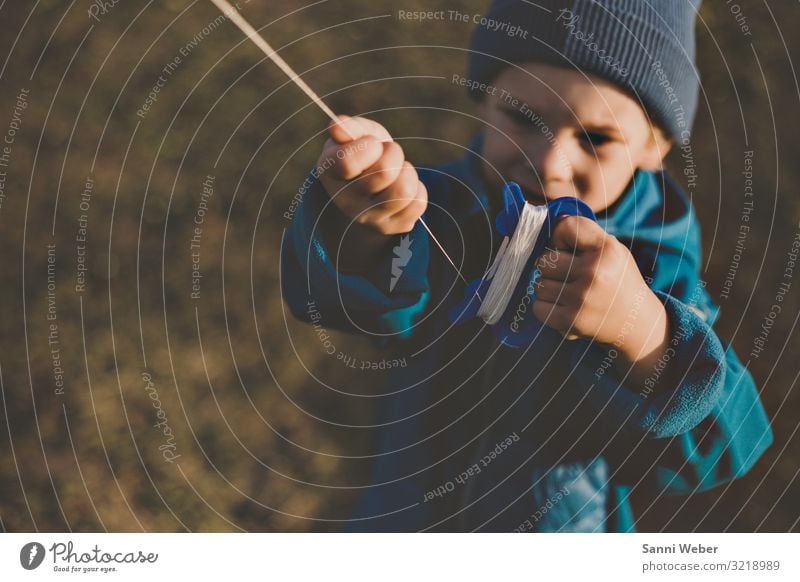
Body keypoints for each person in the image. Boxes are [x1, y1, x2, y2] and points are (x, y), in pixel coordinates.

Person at [281, 0, 772, 531]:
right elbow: (343, 303)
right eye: (520, 116)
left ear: (656, 145)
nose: (548, 162)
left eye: (596, 139)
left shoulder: (659, 266)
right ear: (483, 99)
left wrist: (644, 333)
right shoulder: (443, 207)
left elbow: (723, 448)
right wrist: (360, 227)